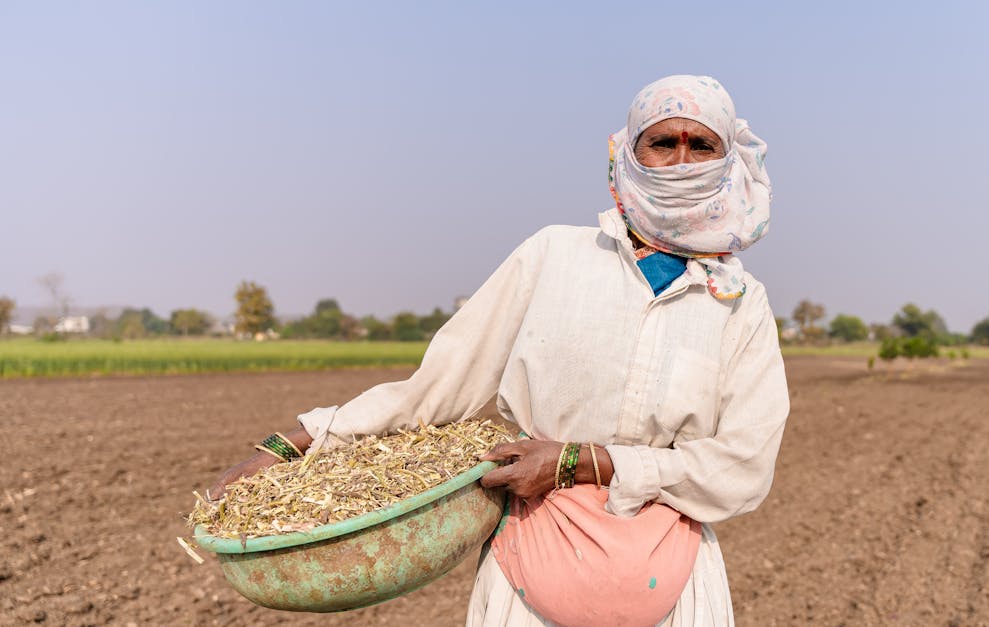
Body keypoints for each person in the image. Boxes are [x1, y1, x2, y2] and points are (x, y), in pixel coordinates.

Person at [212, 74, 789, 626]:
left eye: (702, 146)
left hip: (675, 590)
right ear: (629, 156)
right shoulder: (554, 257)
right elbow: (437, 388)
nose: (682, 161)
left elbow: (743, 467)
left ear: (727, 162)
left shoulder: (740, 304)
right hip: (527, 575)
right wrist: (299, 442)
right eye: (663, 142)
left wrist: (581, 462)